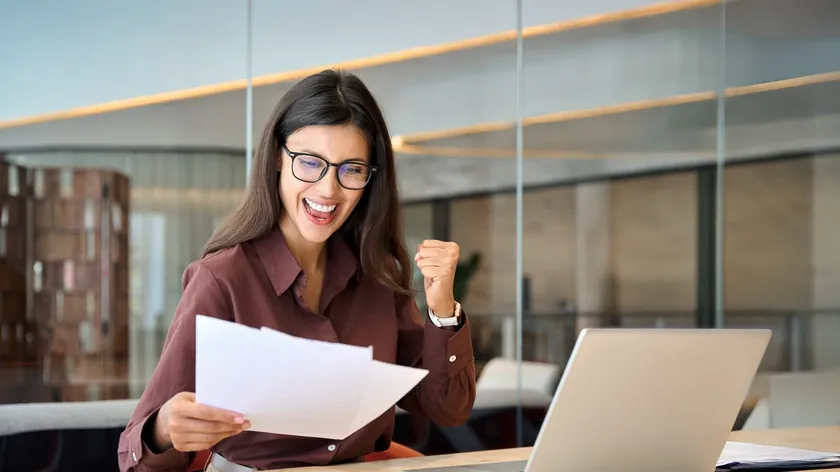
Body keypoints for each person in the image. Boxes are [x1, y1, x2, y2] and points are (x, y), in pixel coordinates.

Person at [117, 69, 477, 472]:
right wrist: (166, 428)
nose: (328, 189)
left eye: (351, 169)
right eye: (309, 162)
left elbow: (448, 407)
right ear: (276, 157)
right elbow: (137, 457)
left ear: (370, 179)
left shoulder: (376, 278)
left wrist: (442, 307)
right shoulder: (222, 280)